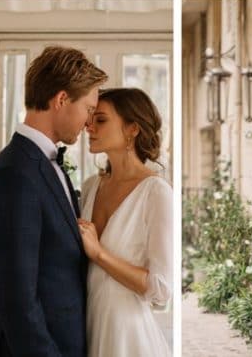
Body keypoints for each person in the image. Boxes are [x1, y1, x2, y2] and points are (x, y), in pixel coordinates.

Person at [0, 46, 108, 356]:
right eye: (89, 109)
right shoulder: (14, 174)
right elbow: (17, 302)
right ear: (61, 100)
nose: (89, 122)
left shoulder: (44, 163)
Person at [78, 88, 172, 357]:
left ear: (132, 128)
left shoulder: (156, 193)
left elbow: (161, 289)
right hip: (87, 326)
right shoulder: (90, 186)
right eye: (90, 119)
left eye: (101, 120)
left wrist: (99, 253)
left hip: (128, 337)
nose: (89, 127)